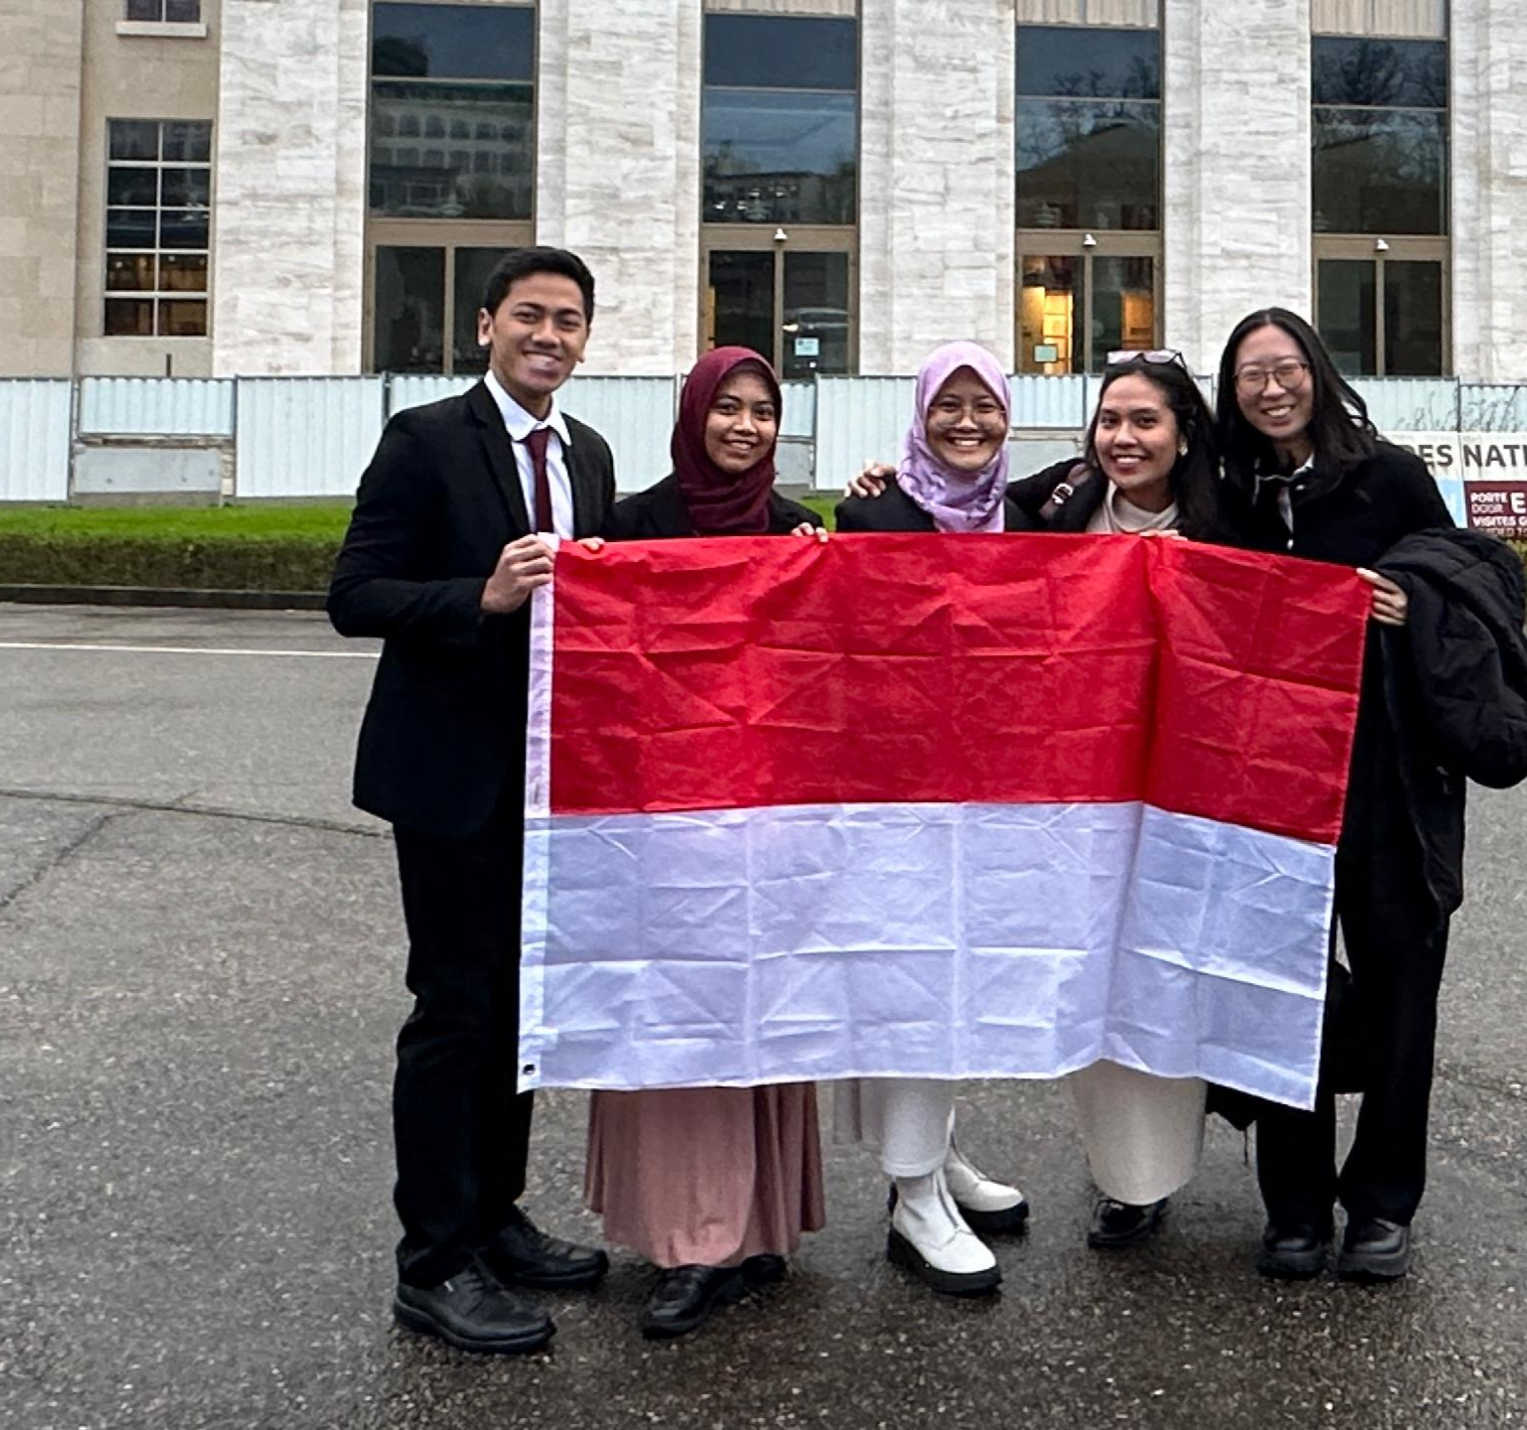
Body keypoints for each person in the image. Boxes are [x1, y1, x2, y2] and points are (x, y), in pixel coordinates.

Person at [1212, 306, 1527, 1287]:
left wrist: (1411, 603)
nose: (1270, 389)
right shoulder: (1226, 491)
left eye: (1285, 368)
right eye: (1249, 375)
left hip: (1388, 781)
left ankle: (1383, 1201)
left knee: (1404, 996)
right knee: (1285, 999)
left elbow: (1476, 579)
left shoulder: (1387, 475)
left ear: (1317, 370)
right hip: (1270, 789)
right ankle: (1296, 1206)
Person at [328, 246, 617, 1359]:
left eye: (570, 320)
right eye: (531, 315)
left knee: (517, 1009)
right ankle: (434, 1258)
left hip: (549, 781)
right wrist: (478, 595)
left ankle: (495, 1217)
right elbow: (354, 592)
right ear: (487, 323)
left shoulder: (584, 452)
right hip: (450, 777)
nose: (550, 335)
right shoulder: (425, 438)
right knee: (455, 1012)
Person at [585, 346, 830, 1339]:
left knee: (762, 1010)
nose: (743, 425)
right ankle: (691, 1239)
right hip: (663, 823)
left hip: (765, 824)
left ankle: (759, 1224)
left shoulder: (791, 527)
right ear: (693, 414)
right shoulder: (637, 522)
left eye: (762, 411)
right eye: (725, 407)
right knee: (677, 1012)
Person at [1006, 350, 1233, 1252]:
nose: (1124, 438)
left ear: (1182, 433)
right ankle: (1127, 1180)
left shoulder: (1230, 520)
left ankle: (1181, 1156)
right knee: (1101, 977)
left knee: (1173, 976)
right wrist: (880, 485)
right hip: (1086, 796)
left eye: (1145, 421)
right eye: (1110, 421)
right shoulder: (1061, 506)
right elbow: (954, 502)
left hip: (1193, 791)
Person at [832, 342, 1035, 1295]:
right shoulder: (873, 510)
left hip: (1003, 792)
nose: (966, 421)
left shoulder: (1032, 514)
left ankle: (936, 1155)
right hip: (896, 793)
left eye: (984, 404)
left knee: (967, 980)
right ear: (919, 413)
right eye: (947, 404)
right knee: (914, 979)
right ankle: (913, 1194)